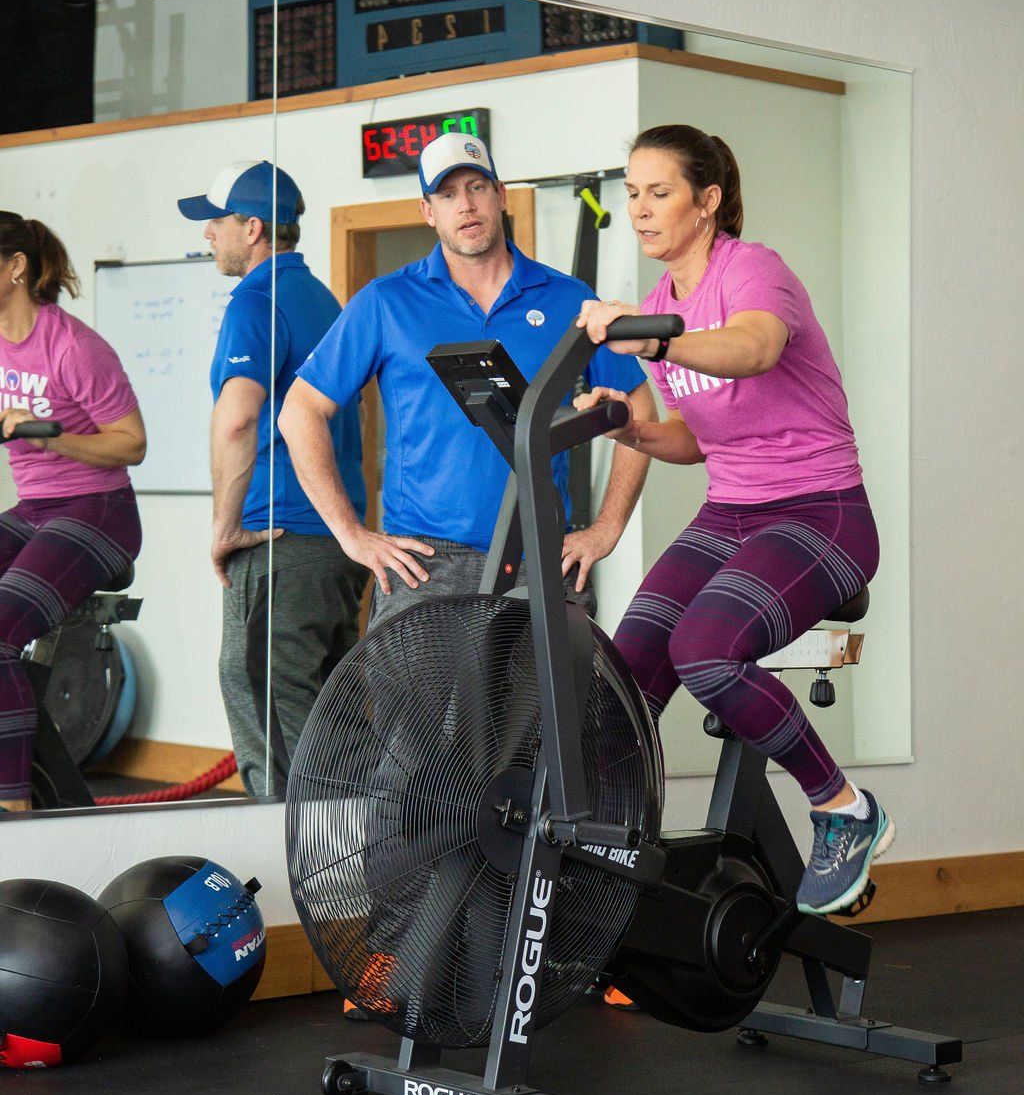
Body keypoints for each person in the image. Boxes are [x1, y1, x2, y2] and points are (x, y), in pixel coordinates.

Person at [575, 124, 889, 919]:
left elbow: (751, 350)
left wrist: (653, 335)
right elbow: (693, 435)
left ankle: (845, 807)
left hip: (823, 513)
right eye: (632, 192)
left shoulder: (754, 271)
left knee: (704, 651)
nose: (641, 210)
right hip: (732, 510)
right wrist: (626, 426)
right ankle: (603, 868)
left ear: (707, 201)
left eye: (660, 192)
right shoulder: (655, 307)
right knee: (625, 677)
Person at [279, 131, 657, 625]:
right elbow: (300, 411)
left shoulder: (569, 298)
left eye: (477, 187)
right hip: (425, 566)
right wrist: (350, 534)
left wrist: (607, 528)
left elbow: (640, 413)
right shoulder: (385, 302)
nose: (466, 205)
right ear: (428, 211)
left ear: (500, 196)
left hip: (540, 556)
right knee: (420, 708)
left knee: (550, 706)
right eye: (447, 194)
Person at [178, 161, 367, 796]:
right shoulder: (321, 298)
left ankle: (305, 883)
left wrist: (224, 525)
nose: (208, 235)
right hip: (336, 542)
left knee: (271, 719)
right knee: (330, 724)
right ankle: (358, 877)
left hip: (276, 538)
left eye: (216, 222)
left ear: (252, 227)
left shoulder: (257, 302)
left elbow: (237, 420)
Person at [0, 212, 145, 810]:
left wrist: (48, 438)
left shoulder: (72, 345)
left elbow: (132, 443)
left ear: (15, 267)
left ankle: (12, 808)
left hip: (99, 509)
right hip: (35, 508)